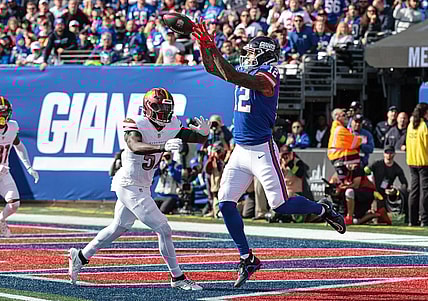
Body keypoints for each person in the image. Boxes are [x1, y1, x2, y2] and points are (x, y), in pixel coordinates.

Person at [192, 21, 346, 288]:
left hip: (262, 149)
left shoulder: (269, 73)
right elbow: (212, 68)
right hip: (240, 150)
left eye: (252, 52)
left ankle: (323, 209)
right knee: (225, 203)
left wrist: (212, 45)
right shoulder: (248, 69)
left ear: (263, 53)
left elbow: (230, 75)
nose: (247, 57)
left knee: (280, 205)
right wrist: (203, 44)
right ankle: (247, 257)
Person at [68, 88, 209, 290]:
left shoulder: (172, 124)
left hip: (143, 185)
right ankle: (178, 278)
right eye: (157, 106)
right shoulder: (136, 123)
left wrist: (204, 133)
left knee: (119, 227)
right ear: (147, 107)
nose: (162, 111)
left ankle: (80, 256)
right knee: (163, 229)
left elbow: (198, 139)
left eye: (165, 107)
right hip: (128, 184)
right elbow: (134, 145)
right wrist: (163, 147)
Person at [0, 96, 39, 237]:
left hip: (3, 173)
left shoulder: (12, 127)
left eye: (4, 113)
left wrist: (29, 167)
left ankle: (1, 220)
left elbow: (19, 146)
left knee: (14, 204)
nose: (2, 117)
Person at [328, 108, 366, 183]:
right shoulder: (339, 129)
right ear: (337, 117)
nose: (346, 117)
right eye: (343, 115)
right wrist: (361, 139)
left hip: (342, 159)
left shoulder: (339, 128)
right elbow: (353, 143)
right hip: (341, 158)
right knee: (349, 183)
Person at [405, 103, 428, 227]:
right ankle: (424, 218)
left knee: (414, 191)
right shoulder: (424, 126)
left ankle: (412, 219)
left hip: (412, 161)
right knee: (425, 192)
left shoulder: (411, 125)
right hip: (423, 162)